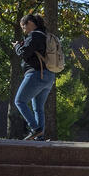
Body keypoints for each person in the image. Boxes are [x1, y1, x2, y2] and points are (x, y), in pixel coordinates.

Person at [13, 13, 54, 141]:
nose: (24, 30)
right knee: (38, 108)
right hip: (49, 76)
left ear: (30, 23)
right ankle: (39, 137)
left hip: (36, 74)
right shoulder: (45, 36)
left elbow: (24, 53)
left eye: (23, 27)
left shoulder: (34, 35)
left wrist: (17, 46)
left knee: (19, 101)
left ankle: (35, 128)